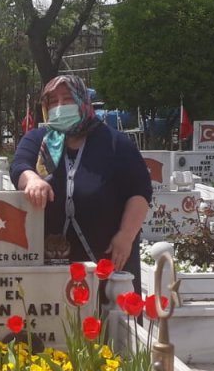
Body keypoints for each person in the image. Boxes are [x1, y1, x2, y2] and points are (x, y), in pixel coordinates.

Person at [11, 75, 151, 285]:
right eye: (52, 101)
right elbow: (19, 166)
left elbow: (139, 190)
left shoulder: (114, 143)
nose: (59, 106)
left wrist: (126, 235)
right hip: (50, 259)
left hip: (106, 256)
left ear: (82, 101)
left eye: (67, 99)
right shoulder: (38, 139)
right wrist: (32, 179)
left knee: (106, 316)